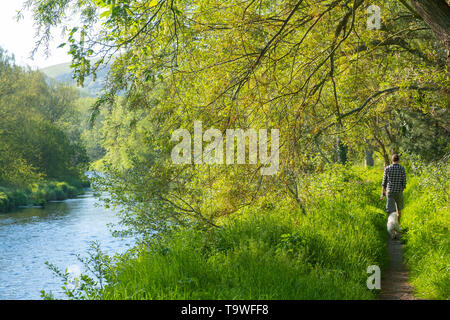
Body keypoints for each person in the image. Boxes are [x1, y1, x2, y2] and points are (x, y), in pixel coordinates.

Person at [381, 154, 407, 223]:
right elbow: (404, 181)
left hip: (390, 191)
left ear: (392, 160)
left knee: (391, 211)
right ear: (398, 160)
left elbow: (384, 182)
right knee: (399, 210)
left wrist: (383, 192)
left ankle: (391, 226)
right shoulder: (402, 168)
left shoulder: (387, 168)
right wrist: (403, 188)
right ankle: (397, 225)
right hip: (399, 191)